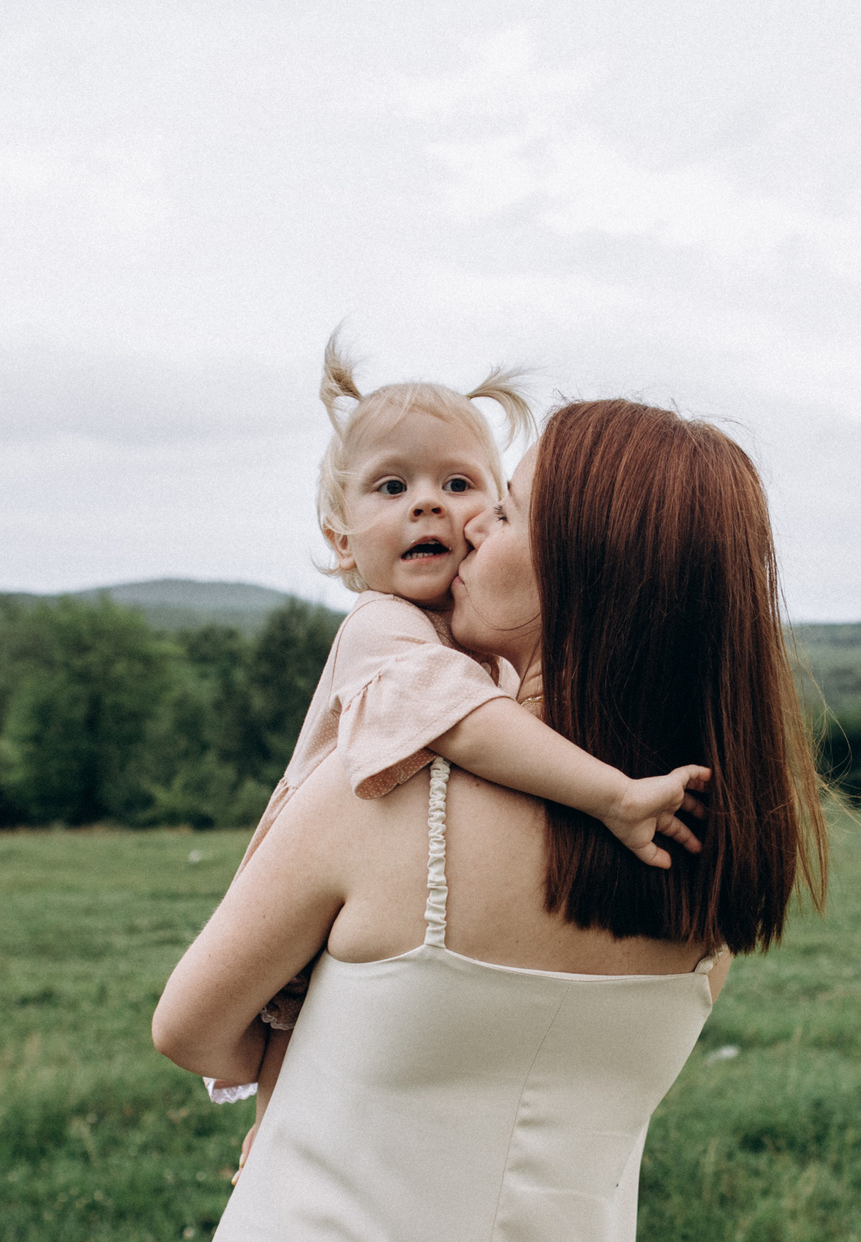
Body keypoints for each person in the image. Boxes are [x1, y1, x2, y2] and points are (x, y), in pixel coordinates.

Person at [150, 398, 829, 1242]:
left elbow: (191, 1028)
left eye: (501, 509)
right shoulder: (708, 879)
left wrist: (301, 1065)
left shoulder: (379, 794)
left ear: (586, 577)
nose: (464, 534)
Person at [209, 337, 709, 1122]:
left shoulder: (464, 648)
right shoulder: (386, 629)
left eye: (466, 486)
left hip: (346, 935)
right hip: (294, 917)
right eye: (391, 486)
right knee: (297, 1088)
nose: (430, 505)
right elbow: (472, 730)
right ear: (343, 540)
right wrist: (611, 793)